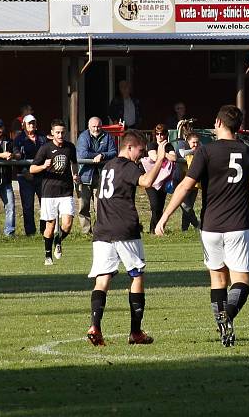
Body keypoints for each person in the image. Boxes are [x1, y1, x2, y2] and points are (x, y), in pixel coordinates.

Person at [155, 105, 249, 347]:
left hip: (211, 224)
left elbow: (185, 186)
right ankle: (228, 314)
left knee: (217, 280)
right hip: (239, 224)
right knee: (241, 281)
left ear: (218, 123)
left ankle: (223, 327)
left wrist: (164, 216)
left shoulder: (206, 151)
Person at [86, 131, 167, 347]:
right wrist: (160, 158)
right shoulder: (126, 165)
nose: (141, 156)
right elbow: (147, 181)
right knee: (137, 276)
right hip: (124, 229)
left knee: (102, 279)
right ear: (129, 147)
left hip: (102, 230)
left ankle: (95, 325)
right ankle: (135, 332)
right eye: (140, 151)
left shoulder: (108, 166)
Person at [30, 119, 79, 265]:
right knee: (50, 226)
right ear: (52, 133)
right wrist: (44, 166)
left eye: (63, 132)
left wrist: (75, 175)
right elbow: (32, 169)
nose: (60, 135)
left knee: (67, 224)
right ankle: (47, 256)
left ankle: (58, 240)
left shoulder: (70, 147)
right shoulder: (45, 148)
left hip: (66, 191)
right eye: (57, 132)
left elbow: (74, 163)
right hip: (49, 192)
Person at [76, 117, 117, 234]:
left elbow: (114, 152)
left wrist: (102, 155)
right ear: (89, 126)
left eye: (98, 126)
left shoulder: (107, 136)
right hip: (85, 175)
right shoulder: (83, 137)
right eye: (93, 126)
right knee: (83, 206)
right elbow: (82, 153)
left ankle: (99, 230)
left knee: (100, 205)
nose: (96, 128)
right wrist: (96, 156)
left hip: (101, 176)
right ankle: (86, 231)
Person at [13, 114, 46, 236]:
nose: (31, 125)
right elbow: (16, 156)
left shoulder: (42, 138)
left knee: (45, 204)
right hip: (25, 176)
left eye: (33, 123)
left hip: (41, 175)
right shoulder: (18, 139)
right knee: (28, 206)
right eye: (29, 123)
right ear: (24, 125)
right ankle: (30, 233)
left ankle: (45, 231)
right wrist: (24, 172)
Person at [144, 124, 177, 233]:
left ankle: (158, 229)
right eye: (157, 134)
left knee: (160, 206)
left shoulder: (169, 146)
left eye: (162, 134)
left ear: (166, 135)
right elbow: (153, 157)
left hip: (163, 179)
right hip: (152, 179)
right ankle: (153, 230)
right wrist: (165, 155)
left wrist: (162, 153)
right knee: (154, 205)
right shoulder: (151, 144)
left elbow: (174, 157)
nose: (159, 136)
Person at [178, 132, 201, 231]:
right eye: (193, 142)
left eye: (197, 143)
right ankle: (197, 224)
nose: (195, 145)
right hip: (182, 183)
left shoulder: (199, 152)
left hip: (195, 184)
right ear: (188, 142)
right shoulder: (184, 151)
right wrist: (192, 150)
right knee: (185, 206)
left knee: (188, 207)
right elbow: (182, 154)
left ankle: (184, 229)